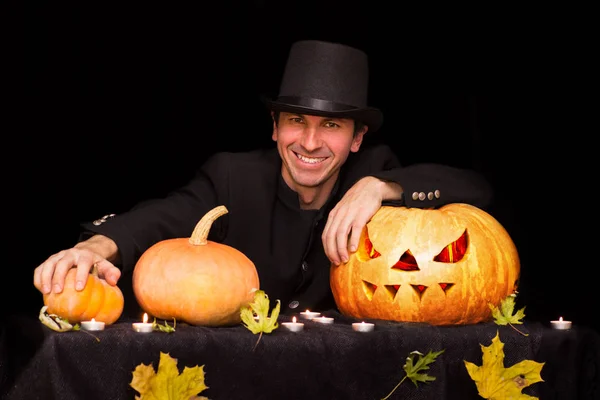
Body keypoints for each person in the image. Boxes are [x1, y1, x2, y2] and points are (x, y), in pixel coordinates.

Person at [33, 39, 493, 314]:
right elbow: (161, 217)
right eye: (296, 121)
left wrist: (382, 187)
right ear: (275, 128)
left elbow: (476, 190)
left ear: (357, 138)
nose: (310, 142)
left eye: (331, 125)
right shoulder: (233, 176)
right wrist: (92, 248)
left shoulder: (377, 172)